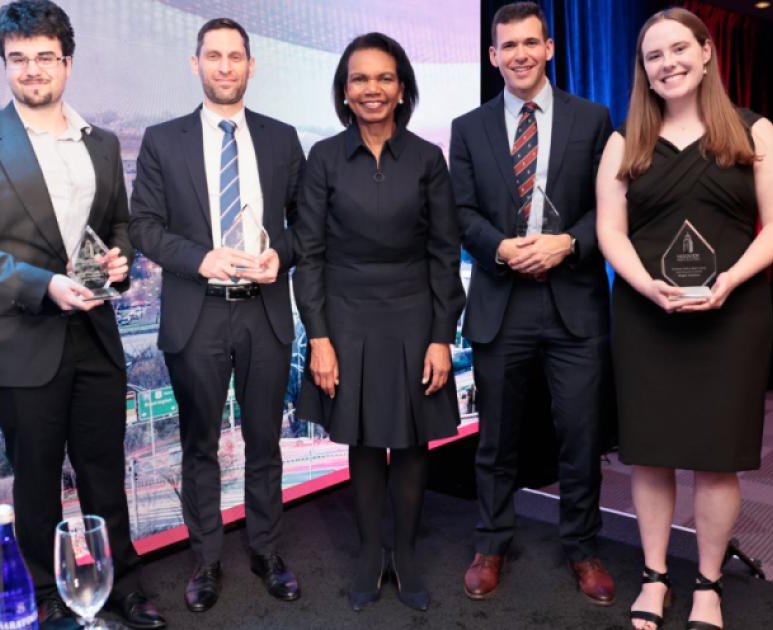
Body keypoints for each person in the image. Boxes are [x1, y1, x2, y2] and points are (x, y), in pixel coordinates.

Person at [0, 2, 165, 628]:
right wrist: (43, 285)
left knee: (106, 474)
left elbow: (116, 223)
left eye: (44, 57)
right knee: (35, 485)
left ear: (66, 60)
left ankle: (124, 589)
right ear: (5, 62)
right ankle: (46, 600)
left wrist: (120, 261)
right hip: (22, 335)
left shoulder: (104, 143)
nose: (32, 71)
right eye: (19, 59)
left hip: (95, 331)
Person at [595, 8, 773, 630]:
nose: (668, 63)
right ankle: (655, 577)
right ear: (644, 71)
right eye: (654, 56)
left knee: (716, 458)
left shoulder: (753, 131)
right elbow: (609, 231)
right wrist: (646, 288)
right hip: (644, 315)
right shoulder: (624, 139)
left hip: (732, 317)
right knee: (649, 455)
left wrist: (731, 280)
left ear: (707, 53)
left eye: (679, 49)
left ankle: (708, 584)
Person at [128, 17, 305, 613]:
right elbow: (145, 227)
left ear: (252, 66)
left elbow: (306, 225)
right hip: (197, 313)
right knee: (199, 444)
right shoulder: (162, 139)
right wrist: (202, 257)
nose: (225, 66)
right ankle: (204, 562)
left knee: (265, 443)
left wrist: (282, 253)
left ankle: (266, 552)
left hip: (266, 314)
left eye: (235, 56)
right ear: (195, 64)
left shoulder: (282, 139)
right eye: (213, 56)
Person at [450, 1, 617, 606]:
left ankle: (583, 547)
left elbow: (610, 209)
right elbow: (461, 212)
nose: (519, 54)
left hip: (573, 302)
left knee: (580, 435)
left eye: (530, 43)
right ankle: (491, 542)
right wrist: (500, 248)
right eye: (507, 46)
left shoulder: (594, 119)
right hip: (501, 302)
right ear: (493, 56)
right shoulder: (468, 129)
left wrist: (568, 243)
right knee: (497, 440)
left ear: (549, 48)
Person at [293, 32, 465, 612]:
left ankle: (407, 553)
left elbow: (444, 253)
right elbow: (309, 254)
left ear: (401, 89)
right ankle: (371, 552)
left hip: (415, 314)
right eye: (360, 79)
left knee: (412, 441)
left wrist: (442, 336)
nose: (373, 89)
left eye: (384, 78)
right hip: (344, 316)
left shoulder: (426, 158)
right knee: (364, 441)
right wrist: (318, 337)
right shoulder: (322, 158)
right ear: (344, 92)